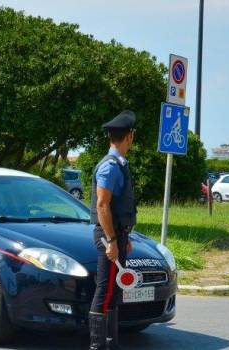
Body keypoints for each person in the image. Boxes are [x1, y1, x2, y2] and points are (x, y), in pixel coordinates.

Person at [89, 110, 138, 350]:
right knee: (105, 289)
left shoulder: (119, 164)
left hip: (117, 234)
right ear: (129, 136)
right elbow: (102, 205)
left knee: (113, 290)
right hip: (108, 235)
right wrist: (111, 240)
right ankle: (98, 346)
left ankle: (110, 343)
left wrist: (123, 236)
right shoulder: (110, 167)